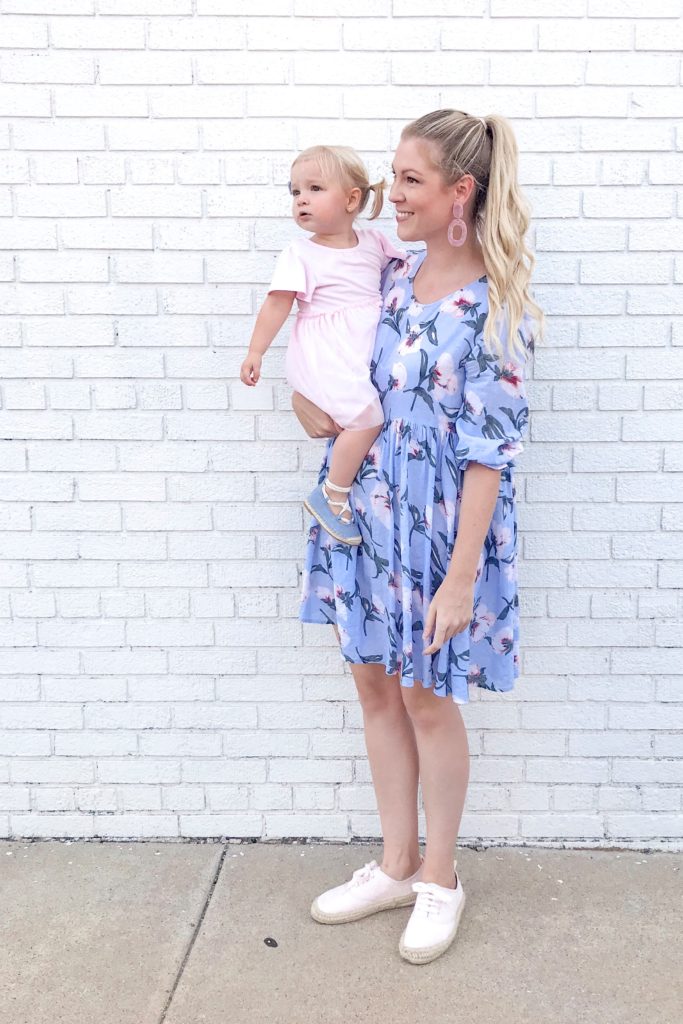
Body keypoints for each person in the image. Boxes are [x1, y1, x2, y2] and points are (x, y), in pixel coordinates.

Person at [292, 109, 544, 965]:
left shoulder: (495, 308)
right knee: (373, 689)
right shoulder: (389, 277)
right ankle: (395, 863)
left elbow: (489, 457)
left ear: (457, 193)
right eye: (390, 177)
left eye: (407, 180)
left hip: (438, 536)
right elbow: (334, 351)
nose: (386, 195)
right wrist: (305, 399)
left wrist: (461, 578)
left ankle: (441, 877)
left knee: (426, 698)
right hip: (364, 518)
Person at [240, 145, 404, 546]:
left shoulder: (373, 243)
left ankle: (342, 489)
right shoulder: (301, 253)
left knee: (364, 418)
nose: (301, 200)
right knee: (367, 419)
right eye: (295, 192)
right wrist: (256, 351)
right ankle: (333, 494)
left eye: (314, 188)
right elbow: (278, 303)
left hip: (351, 355)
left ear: (351, 199)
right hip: (324, 354)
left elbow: (408, 269)